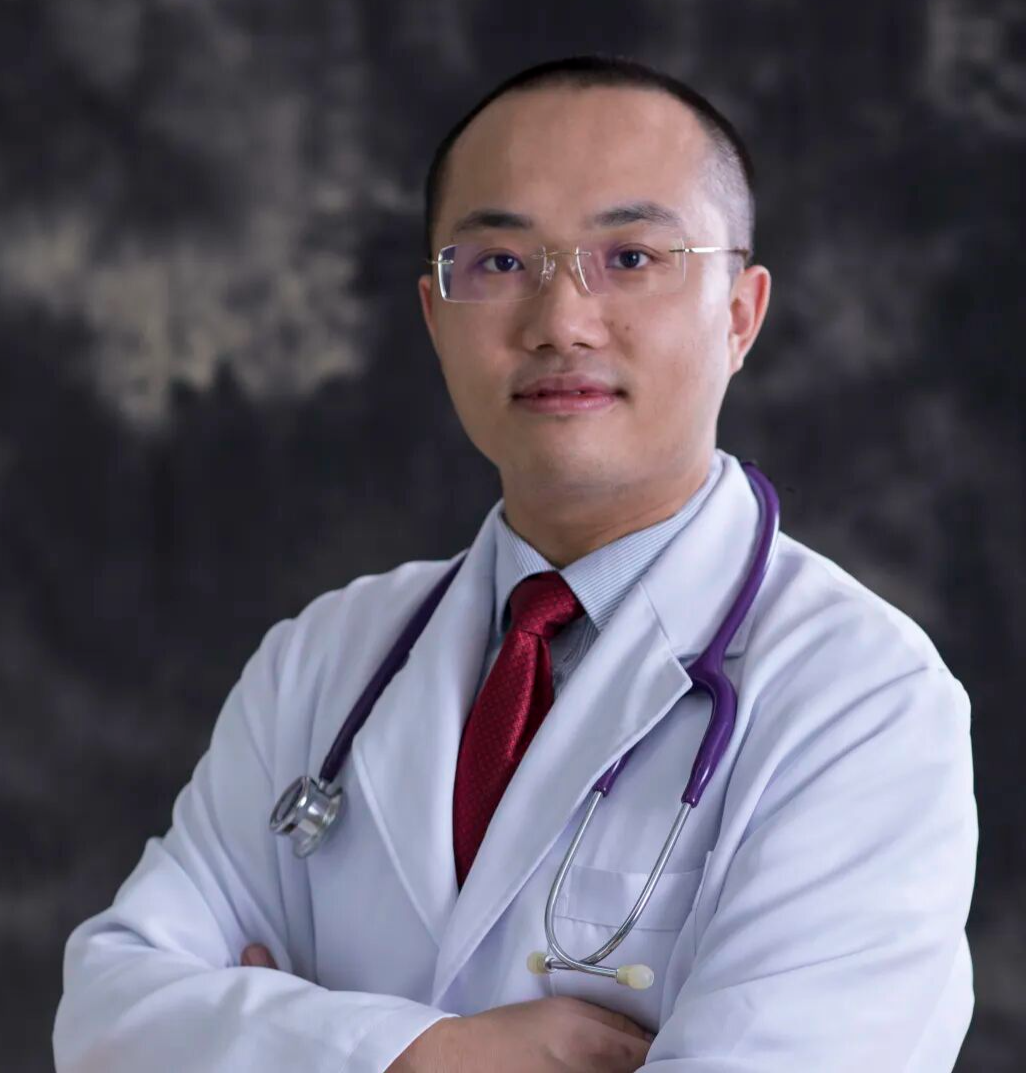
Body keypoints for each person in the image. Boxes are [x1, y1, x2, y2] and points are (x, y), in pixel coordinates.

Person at [53, 55, 977, 1073]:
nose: (560, 323)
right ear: (434, 315)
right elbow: (106, 1016)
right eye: (499, 262)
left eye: (631, 256)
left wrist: (280, 1039)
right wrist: (420, 1054)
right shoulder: (323, 659)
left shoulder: (861, 699)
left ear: (739, 314)